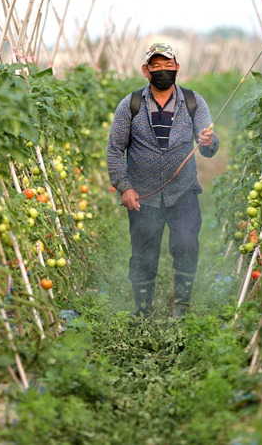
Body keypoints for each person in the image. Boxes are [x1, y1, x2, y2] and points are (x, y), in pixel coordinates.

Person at [107, 42, 219, 318]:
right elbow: (115, 148)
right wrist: (124, 186)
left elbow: (208, 146)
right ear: (146, 71)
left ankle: (181, 304)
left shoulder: (193, 102)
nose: (163, 71)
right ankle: (143, 309)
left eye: (168, 65)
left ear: (177, 68)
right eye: (156, 66)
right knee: (143, 254)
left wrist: (208, 140)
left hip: (183, 193)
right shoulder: (131, 104)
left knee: (186, 245)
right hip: (143, 196)